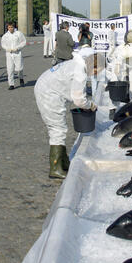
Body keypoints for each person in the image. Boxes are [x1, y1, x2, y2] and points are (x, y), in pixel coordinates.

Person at [34, 47, 97, 179]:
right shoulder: (80, 70)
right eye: (96, 67)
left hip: (45, 87)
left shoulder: (76, 63)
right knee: (57, 129)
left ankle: (63, 162)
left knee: (60, 128)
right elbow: (79, 100)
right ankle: (55, 168)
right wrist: (90, 105)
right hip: (49, 93)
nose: (95, 71)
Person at [1, 22, 26, 90]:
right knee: (10, 69)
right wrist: (7, 48)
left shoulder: (18, 34)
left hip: (17, 53)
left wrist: (18, 47)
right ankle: (11, 84)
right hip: (9, 54)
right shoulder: (5, 35)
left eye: (11, 27)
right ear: (7, 28)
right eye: (9, 27)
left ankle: (21, 78)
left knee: (19, 68)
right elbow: (3, 44)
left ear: (14, 27)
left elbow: (23, 42)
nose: (10, 29)